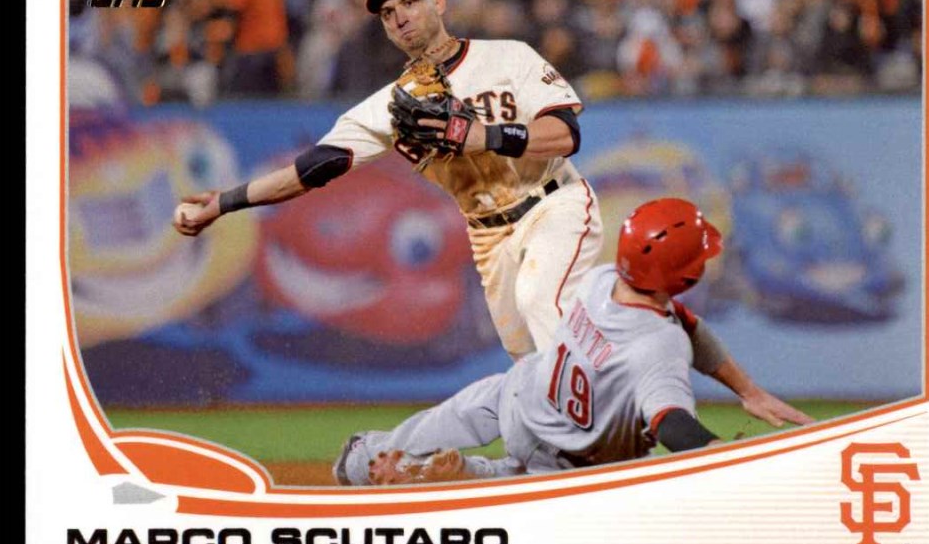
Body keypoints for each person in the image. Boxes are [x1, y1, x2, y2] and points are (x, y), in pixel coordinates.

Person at [173, 0, 603, 360]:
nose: (399, 17)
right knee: (531, 363)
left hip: (551, 203)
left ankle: (619, 384)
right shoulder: (391, 107)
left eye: (409, 2)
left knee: (540, 301)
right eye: (387, 12)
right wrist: (223, 202)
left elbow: (566, 134)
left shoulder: (508, 56)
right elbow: (307, 172)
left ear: (439, 4)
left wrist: (483, 136)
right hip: (488, 235)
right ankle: (610, 377)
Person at [334, 198, 815, 486]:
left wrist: (747, 389)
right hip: (566, 458)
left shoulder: (602, 280)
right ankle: (470, 474)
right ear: (685, 276)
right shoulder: (660, 346)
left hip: (518, 400)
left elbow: (685, 321)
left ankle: (363, 459)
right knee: (543, 483)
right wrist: (727, 458)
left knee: (448, 419)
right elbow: (671, 425)